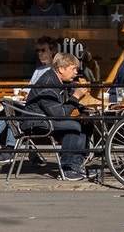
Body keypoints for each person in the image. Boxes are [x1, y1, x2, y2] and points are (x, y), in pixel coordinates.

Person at [21, 51, 91, 181]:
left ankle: (76, 165)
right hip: (36, 122)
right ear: (61, 69)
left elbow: (74, 92)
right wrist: (75, 97)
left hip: (47, 119)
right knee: (73, 126)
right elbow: (58, 115)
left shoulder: (61, 80)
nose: (76, 72)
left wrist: (83, 109)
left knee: (85, 122)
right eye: (73, 68)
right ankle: (66, 169)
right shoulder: (48, 83)